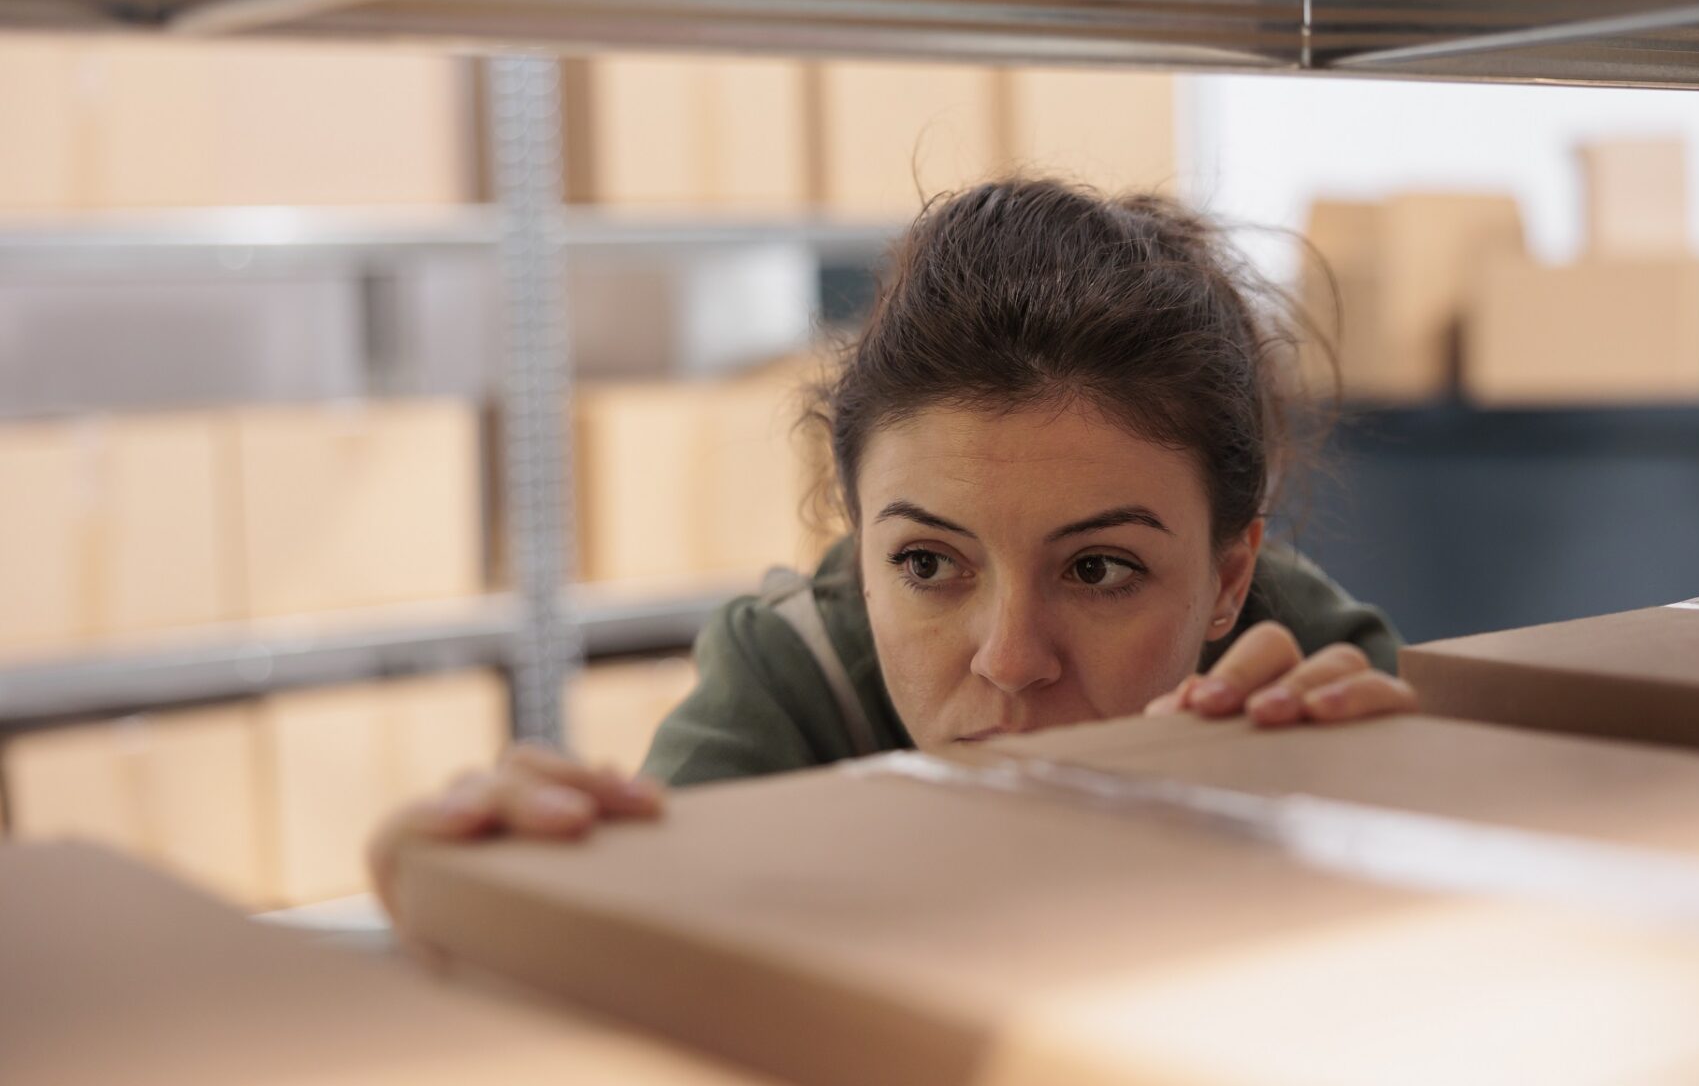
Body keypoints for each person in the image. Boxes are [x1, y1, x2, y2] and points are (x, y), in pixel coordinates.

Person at [370, 178, 1414, 913]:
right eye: (926, 564)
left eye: (1097, 570)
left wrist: (1373, 819)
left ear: (1229, 577)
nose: (1009, 658)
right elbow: (632, 972)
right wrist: (480, 927)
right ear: (857, 536)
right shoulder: (794, 680)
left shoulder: (1302, 680)